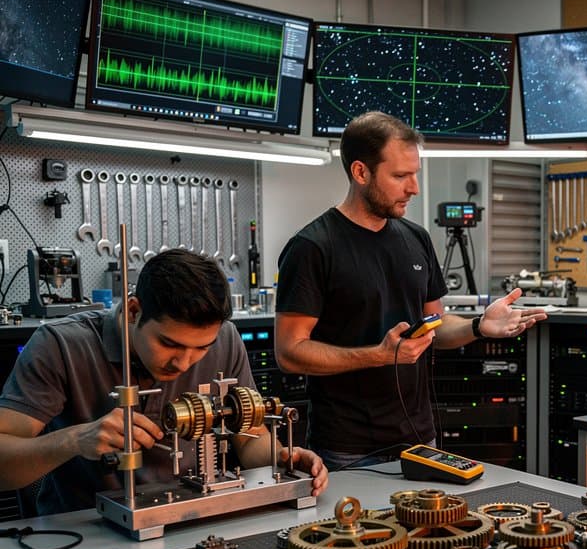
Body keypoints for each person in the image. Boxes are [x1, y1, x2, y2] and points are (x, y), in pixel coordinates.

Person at [274, 111, 547, 470]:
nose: (413, 187)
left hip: (420, 440)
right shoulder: (312, 247)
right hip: (346, 450)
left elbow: (433, 323)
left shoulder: (415, 237)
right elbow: (289, 352)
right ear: (361, 172)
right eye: (401, 175)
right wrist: (379, 355)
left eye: (415, 174)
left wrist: (478, 326)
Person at [0, 249, 328, 515]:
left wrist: (282, 457)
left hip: (191, 516)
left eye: (201, 349)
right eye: (169, 344)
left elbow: (248, 436)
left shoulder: (225, 339)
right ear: (133, 311)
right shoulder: (61, 346)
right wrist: (75, 439)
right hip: (86, 529)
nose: (184, 362)